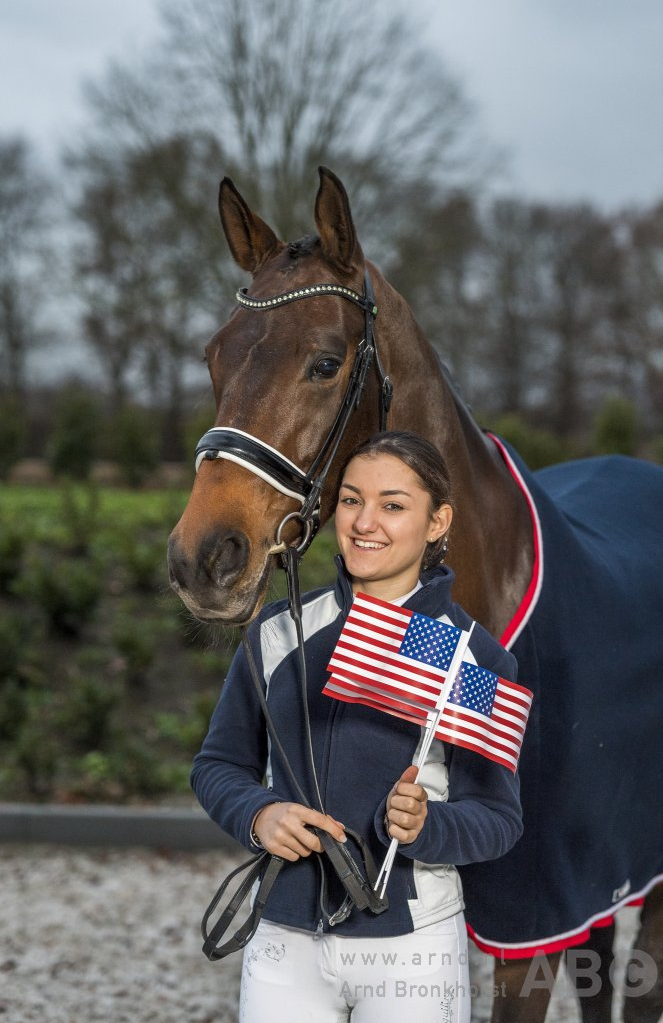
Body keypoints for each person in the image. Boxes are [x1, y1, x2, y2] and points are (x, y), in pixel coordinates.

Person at [191, 430, 523, 1023]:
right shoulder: (277, 631)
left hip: (411, 947)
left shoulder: (472, 659)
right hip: (282, 939)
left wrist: (428, 826)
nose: (366, 522)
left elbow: (498, 820)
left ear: (438, 520)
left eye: (393, 505)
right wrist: (257, 813)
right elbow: (218, 766)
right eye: (350, 500)